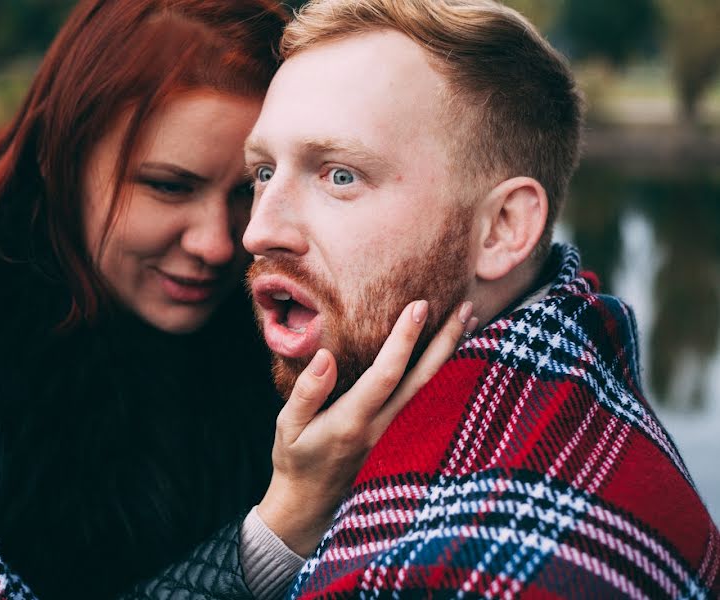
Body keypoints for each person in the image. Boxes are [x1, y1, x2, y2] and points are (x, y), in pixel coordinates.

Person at [0, 1, 472, 599]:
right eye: (170, 186)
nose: (223, 244)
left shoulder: (324, 314)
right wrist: (278, 531)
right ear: (61, 155)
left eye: (251, 184)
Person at [243, 0, 720, 597]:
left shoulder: (467, 573)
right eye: (263, 172)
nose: (259, 230)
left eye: (340, 175)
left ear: (501, 229)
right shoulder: (577, 373)